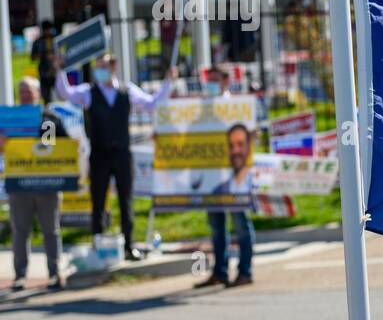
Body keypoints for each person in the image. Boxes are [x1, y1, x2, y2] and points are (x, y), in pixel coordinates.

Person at [55, 52, 173, 262]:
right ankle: (98, 243)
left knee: (125, 200)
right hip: (99, 154)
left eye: (103, 66)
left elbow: (152, 103)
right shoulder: (88, 92)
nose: (99, 70)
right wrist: (60, 69)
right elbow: (66, 93)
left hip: (121, 154)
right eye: (97, 66)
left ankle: (129, 245)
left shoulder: (127, 91)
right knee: (98, 201)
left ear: (113, 67)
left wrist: (168, 82)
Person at [1, 77, 68, 290]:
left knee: (51, 230)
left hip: (46, 184)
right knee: (20, 230)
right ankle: (20, 275)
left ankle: (55, 273)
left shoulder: (48, 118)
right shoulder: (9, 120)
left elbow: (57, 147)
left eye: (29, 91)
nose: (25, 95)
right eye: (22, 91)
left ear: (38, 93)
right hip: (19, 184)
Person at [196, 71, 256, 288]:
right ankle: (220, 272)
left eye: (215, 80)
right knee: (216, 226)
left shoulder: (238, 107)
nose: (211, 84)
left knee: (240, 223)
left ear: (226, 81)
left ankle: (245, 271)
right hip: (212, 177)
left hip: (234, 178)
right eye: (208, 80)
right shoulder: (204, 108)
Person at [30, 20, 59, 104]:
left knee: (61, 93)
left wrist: (54, 56)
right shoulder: (38, 42)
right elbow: (33, 57)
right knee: (46, 97)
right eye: (46, 29)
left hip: (55, 71)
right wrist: (43, 55)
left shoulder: (56, 39)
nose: (48, 31)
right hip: (44, 72)